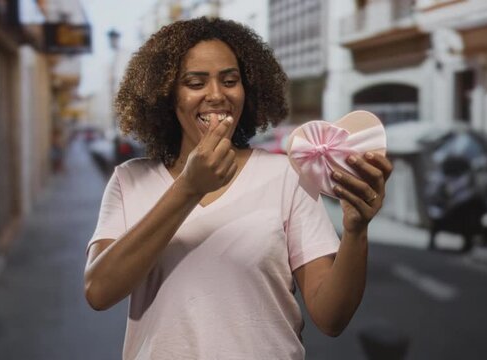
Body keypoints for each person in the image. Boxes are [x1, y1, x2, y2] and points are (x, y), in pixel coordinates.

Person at [84, 17, 393, 359]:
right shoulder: (129, 180)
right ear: (167, 95)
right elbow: (98, 291)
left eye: (230, 80)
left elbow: (331, 318)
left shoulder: (285, 176)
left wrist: (356, 231)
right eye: (195, 82)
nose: (216, 95)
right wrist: (189, 188)